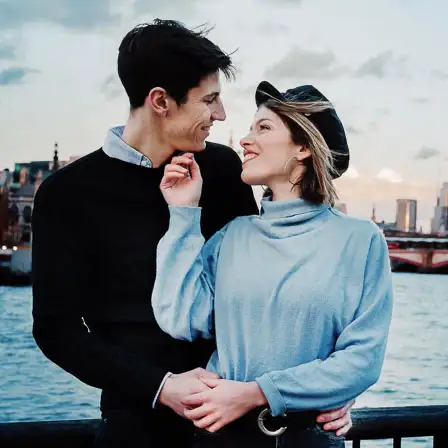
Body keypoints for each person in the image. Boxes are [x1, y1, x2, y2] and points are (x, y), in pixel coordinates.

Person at [31, 19, 354, 448]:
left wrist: (324, 388)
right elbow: (57, 331)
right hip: (138, 428)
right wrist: (162, 387)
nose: (220, 115)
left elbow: (275, 292)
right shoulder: (66, 193)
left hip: (242, 426)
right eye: (210, 100)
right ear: (161, 101)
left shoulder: (223, 170)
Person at [152, 80, 394, 448]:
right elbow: (181, 319)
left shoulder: (361, 241)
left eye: (263, 127)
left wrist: (257, 393)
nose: (245, 140)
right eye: (250, 128)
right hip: (220, 439)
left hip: (309, 439)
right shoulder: (232, 237)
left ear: (303, 148)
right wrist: (183, 214)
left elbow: (361, 360)